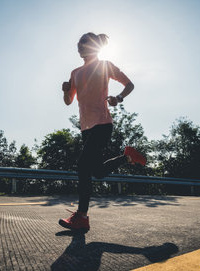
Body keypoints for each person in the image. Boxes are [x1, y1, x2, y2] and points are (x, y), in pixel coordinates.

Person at [59, 32, 146, 232]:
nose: (80, 47)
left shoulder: (105, 66)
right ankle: (127, 157)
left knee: (82, 166)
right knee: (97, 172)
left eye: (84, 44)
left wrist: (119, 98)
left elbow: (129, 84)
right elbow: (68, 101)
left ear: (94, 46)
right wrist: (65, 91)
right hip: (86, 128)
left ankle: (82, 217)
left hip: (103, 123)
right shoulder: (75, 73)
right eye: (78, 45)